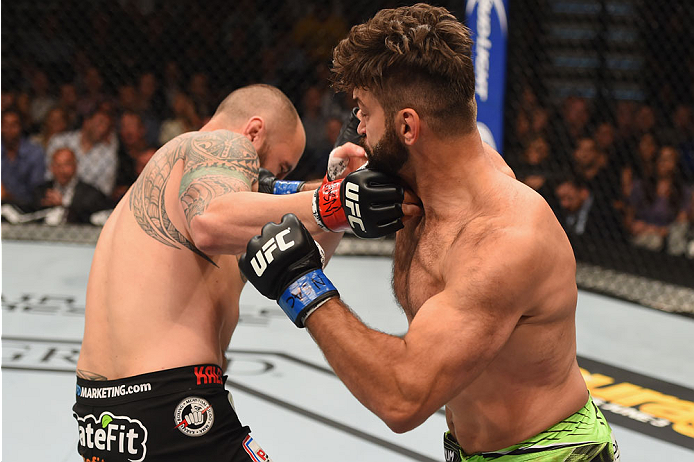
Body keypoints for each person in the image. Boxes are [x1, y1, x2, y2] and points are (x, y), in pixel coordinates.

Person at [239, 4, 619, 462]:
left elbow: (404, 398)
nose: (358, 127)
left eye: (364, 113)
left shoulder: (503, 242)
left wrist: (303, 287)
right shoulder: (424, 181)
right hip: (469, 448)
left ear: (407, 125)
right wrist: (304, 192)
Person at [72, 83, 401, 461]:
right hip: (173, 405)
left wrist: (336, 187)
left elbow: (293, 251)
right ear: (255, 132)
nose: (267, 178)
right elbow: (211, 222)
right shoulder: (217, 144)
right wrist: (335, 201)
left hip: (100, 421)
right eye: (278, 168)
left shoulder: (165, 198)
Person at [32, 147, 112, 224]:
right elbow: (33, 217)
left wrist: (64, 205)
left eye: (67, 164)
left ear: (76, 166)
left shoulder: (90, 194)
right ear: (51, 168)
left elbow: (89, 218)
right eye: (57, 165)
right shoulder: (41, 191)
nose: (62, 170)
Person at [1, 108, 46, 207]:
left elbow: (37, 193)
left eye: (13, 125)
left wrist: (8, 197)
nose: (8, 130)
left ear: (20, 127)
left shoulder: (35, 152)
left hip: (28, 210)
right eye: (4, 125)